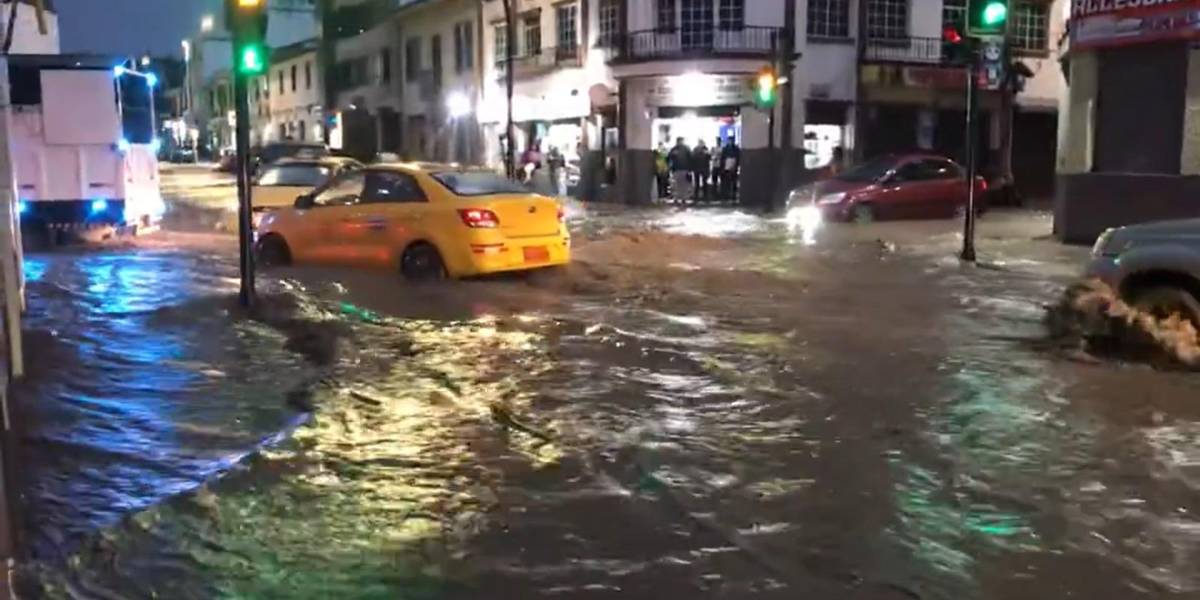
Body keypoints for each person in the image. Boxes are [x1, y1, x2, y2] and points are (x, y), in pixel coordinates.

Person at [667, 137, 692, 204]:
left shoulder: (676, 149)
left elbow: (690, 158)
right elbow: (669, 157)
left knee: (680, 184)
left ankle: (680, 198)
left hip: (680, 169)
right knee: (679, 184)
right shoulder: (685, 148)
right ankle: (679, 198)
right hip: (679, 169)